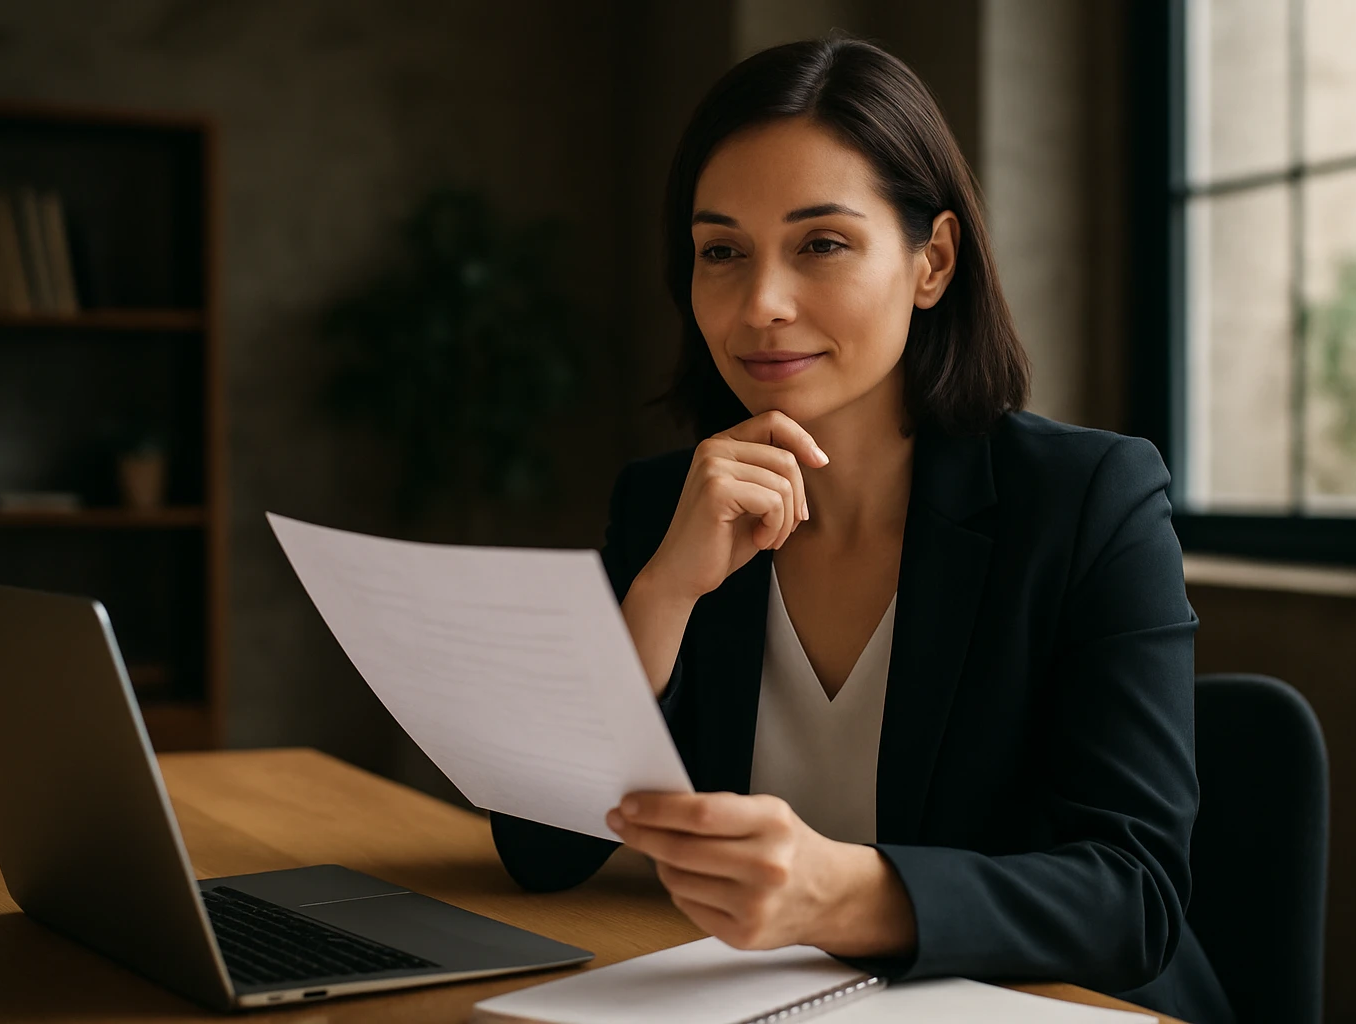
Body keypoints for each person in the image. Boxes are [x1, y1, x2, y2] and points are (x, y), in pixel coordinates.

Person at [491, 36, 1235, 1024]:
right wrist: (664, 590)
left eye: (821, 244)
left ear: (931, 261)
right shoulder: (663, 504)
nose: (760, 303)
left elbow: (1134, 895)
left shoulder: (1088, 499)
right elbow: (539, 851)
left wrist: (840, 891)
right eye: (722, 251)